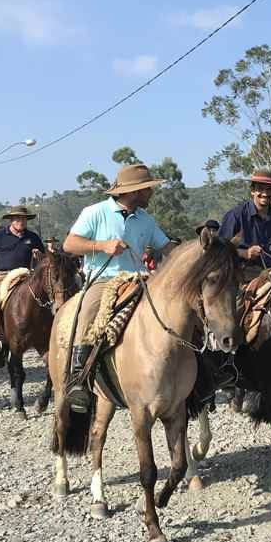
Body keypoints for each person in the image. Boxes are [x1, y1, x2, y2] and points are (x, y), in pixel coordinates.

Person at [62, 163, 173, 411]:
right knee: (88, 313)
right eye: (148, 189)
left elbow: (166, 247)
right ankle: (78, 379)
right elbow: (69, 244)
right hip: (104, 280)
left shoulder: (146, 219)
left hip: (141, 279)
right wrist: (102, 246)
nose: (151, 193)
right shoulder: (95, 212)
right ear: (135, 191)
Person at [0, 206, 45, 353]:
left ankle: (45, 331)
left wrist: (39, 256)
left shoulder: (33, 237)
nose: (21, 221)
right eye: (17, 218)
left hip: (26, 274)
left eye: (24, 218)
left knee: (46, 294)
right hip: (2, 275)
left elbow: (44, 260)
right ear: (11, 220)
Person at [218, 170, 271, 284]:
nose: (265, 193)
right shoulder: (236, 215)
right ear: (252, 191)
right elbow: (219, 250)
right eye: (260, 189)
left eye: (269, 190)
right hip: (242, 275)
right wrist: (246, 253)